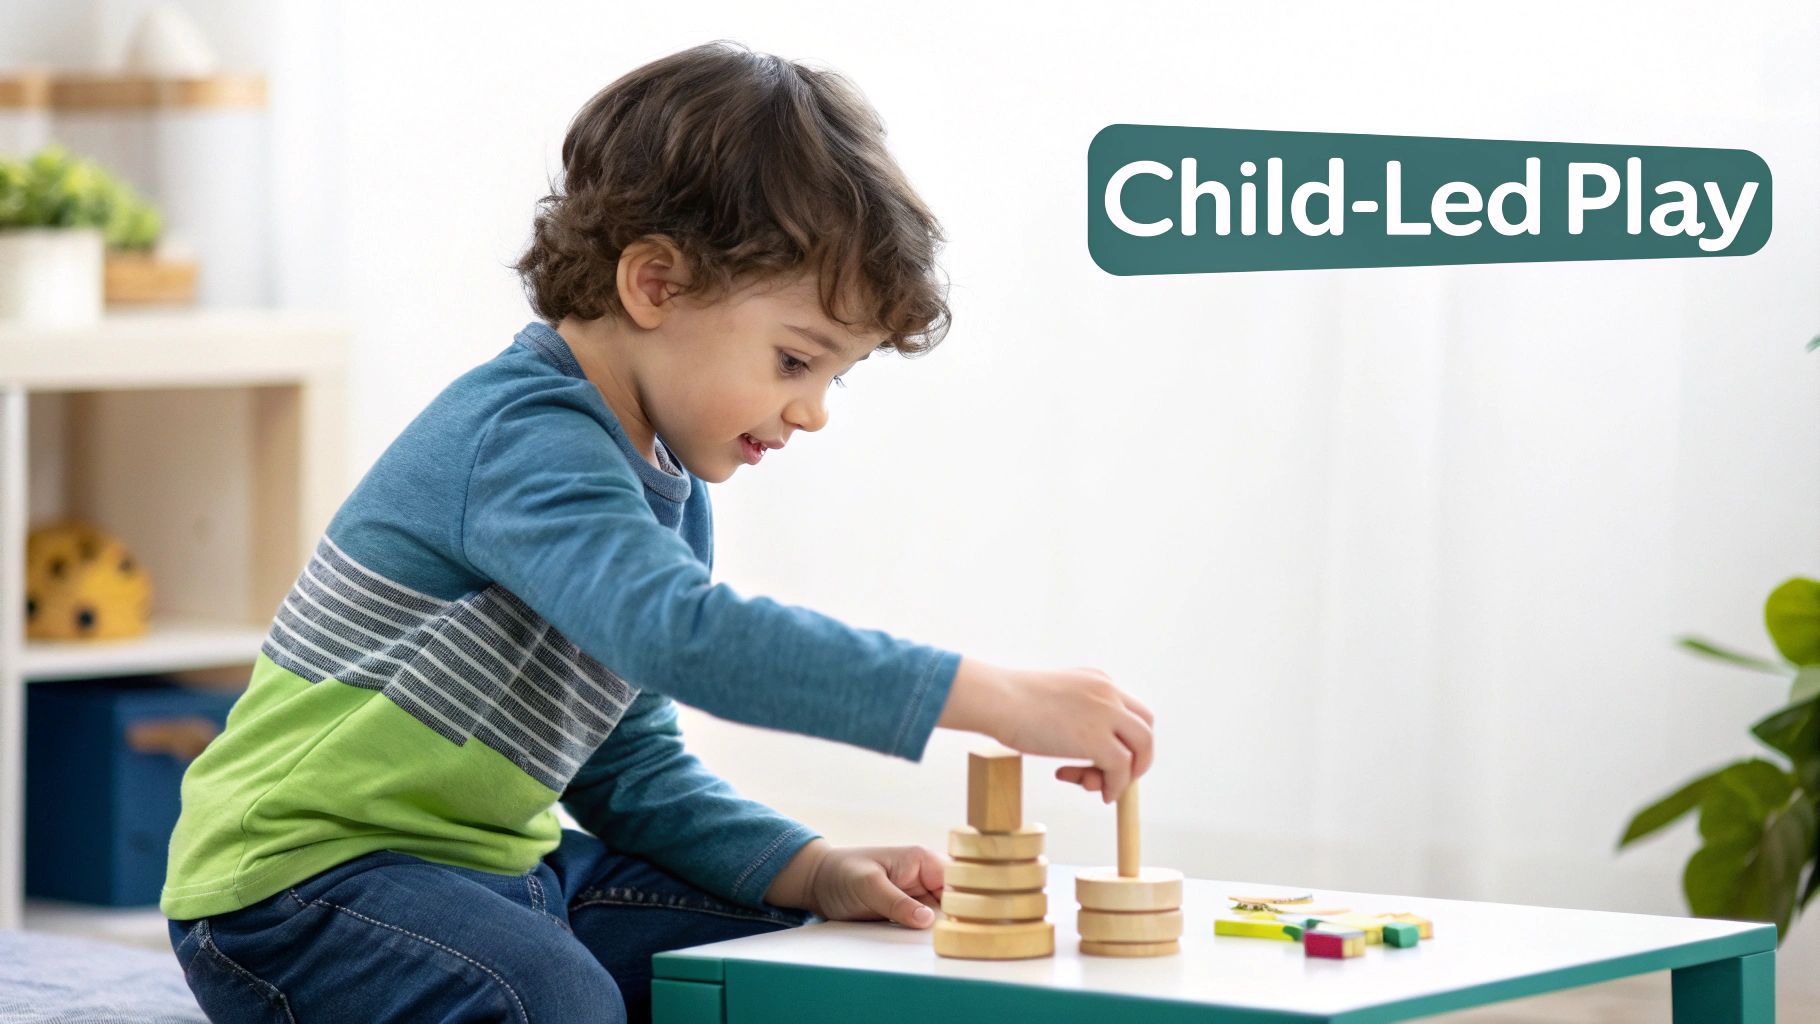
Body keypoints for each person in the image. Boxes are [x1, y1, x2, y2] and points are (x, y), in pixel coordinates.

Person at [161, 40, 1153, 1024]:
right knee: (543, 995)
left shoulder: (666, 486)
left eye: (831, 378)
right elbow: (685, 636)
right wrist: (990, 696)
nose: (809, 411)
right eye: (793, 360)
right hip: (296, 889)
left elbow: (626, 766)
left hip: (498, 871)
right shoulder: (520, 438)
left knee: (779, 941)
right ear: (655, 285)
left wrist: (811, 868)